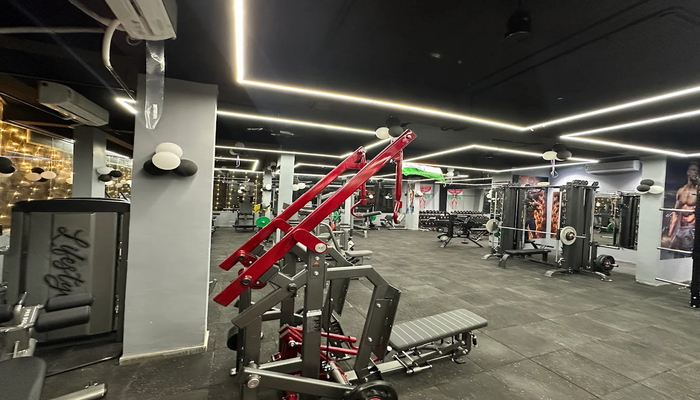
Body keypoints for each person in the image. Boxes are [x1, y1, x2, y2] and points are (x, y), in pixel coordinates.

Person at [663, 162, 698, 250]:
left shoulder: (698, 191)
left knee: (689, 253)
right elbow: (676, 212)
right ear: (688, 172)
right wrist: (670, 233)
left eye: (697, 171)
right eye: (693, 170)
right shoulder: (681, 191)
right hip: (681, 228)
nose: (696, 172)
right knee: (676, 252)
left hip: (693, 228)